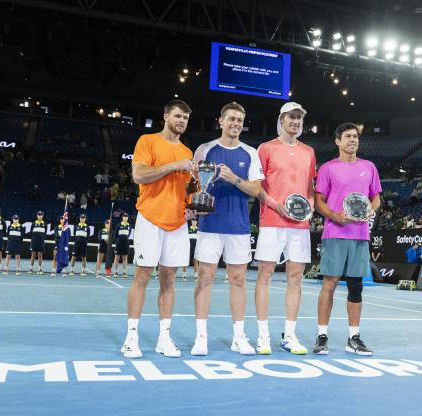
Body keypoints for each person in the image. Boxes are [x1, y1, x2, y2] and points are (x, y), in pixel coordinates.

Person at [121, 99, 198, 359]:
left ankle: (164, 338)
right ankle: (131, 337)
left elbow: (190, 190)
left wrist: (192, 207)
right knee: (142, 277)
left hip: (177, 223)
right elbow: (139, 176)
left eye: (185, 118)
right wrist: (173, 166)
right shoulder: (148, 141)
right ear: (165, 116)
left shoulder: (188, 152)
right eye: (177, 116)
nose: (181, 121)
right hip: (150, 218)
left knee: (169, 280)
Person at [190, 102, 263, 356]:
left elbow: (256, 190)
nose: (235, 124)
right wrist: (193, 204)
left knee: (239, 280)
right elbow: (194, 185)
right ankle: (201, 337)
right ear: (220, 121)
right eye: (231, 119)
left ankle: (239, 337)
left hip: (239, 226)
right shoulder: (205, 149)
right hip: (209, 224)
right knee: (205, 278)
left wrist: (233, 179)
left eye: (240, 120)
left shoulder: (250, 153)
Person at [313, 122, 380, 355]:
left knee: (356, 286)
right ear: (337, 141)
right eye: (348, 136)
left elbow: (376, 198)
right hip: (335, 232)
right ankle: (322, 336)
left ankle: (354, 338)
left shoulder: (369, 167)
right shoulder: (328, 168)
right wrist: (335, 216)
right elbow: (318, 201)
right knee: (329, 285)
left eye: (355, 137)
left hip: (360, 235)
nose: (353, 140)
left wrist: (371, 209)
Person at [254, 102, 316, 355]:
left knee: (295, 278)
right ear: (281, 119)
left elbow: (310, 188)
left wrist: (309, 206)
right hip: (271, 221)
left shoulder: (309, 152)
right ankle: (262, 335)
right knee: (265, 277)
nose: (295, 122)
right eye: (291, 117)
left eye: (299, 118)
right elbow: (256, 185)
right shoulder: (266, 148)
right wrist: (274, 205)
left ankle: (289, 335)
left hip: (300, 225)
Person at [112, 213, 132, 278]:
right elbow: (115, 235)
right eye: (124, 217)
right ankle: (115, 271)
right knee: (117, 257)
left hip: (126, 243)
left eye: (126, 217)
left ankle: (124, 272)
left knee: (125, 258)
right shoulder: (119, 225)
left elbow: (128, 234)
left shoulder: (129, 226)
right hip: (119, 243)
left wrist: (124, 239)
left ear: (127, 218)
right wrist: (119, 239)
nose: (125, 218)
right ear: (122, 218)